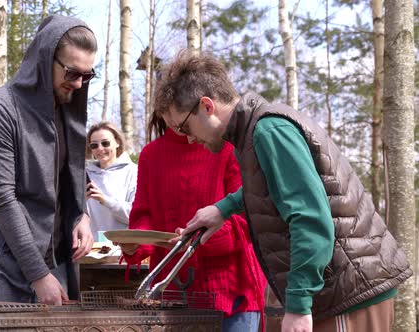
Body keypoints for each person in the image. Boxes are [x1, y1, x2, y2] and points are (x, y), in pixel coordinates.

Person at [154, 50, 412, 332]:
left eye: (184, 126)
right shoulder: (253, 131)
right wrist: (222, 209)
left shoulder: (268, 130)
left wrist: (298, 305)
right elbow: (276, 185)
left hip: (348, 291)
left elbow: (310, 219)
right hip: (340, 288)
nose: (189, 138)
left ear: (206, 106)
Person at [0, 15, 97, 305]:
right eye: (72, 73)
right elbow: (2, 198)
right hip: (4, 273)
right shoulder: (0, 110)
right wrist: (38, 274)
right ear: (44, 59)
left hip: (54, 268)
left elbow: (71, 177)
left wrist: (83, 215)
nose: (78, 84)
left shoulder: (66, 112)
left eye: (87, 75)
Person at [119, 113, 266, 332]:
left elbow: (247, 221)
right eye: (169, 109)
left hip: (231, 290)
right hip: (170, 293)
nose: (175, 116)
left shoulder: (228, 148)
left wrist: (197, 240)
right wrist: (137, 241)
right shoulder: (150, 154)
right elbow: (144, 213)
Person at [85, 122, 137, 241]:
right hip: (91, 248)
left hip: (123, 247)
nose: (100, 149)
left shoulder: (133, 172)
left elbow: (135, 215)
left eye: (105, 143)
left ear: (117, 142)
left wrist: (105, 200)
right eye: (94, 145)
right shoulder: (85, 174)